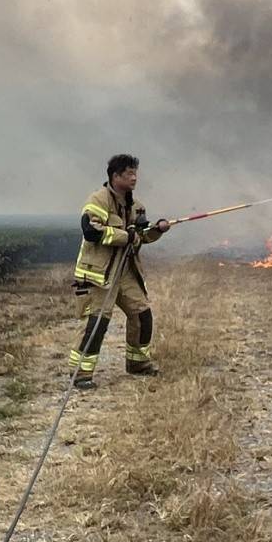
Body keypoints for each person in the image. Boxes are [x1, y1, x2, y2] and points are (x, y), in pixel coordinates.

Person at [68, 154, 171, 389]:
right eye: (129, 174)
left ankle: (137, 363)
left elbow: (143, 234)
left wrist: (158, 229)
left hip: (125, 272)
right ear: (115, 177)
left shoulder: (136, 206)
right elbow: (91, 231)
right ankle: (81, 374)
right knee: (96, 323)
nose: (134, 178)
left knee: (142, 315)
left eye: (135, 173)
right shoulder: (98, 200)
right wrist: (126, 236)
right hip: (99, 275)